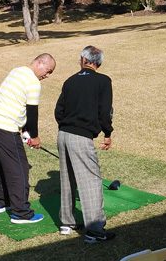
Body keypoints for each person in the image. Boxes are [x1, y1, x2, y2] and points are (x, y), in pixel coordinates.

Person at [0, 53, 56, 224]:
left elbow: (15, 103)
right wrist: (34, 136)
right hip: (4, 127)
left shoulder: (17, 71)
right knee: (20, 169)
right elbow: (32, 113)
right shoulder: (33, 82)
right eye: (48, 71)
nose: (47, 75)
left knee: (0, 166)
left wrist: (24, 130)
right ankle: (21, 213)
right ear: (39, 63)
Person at [55, 46, 115, 243]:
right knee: (91, 181)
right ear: (98, 62)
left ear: (83, 59)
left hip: (63, 134)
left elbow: (59, 111)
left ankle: (67, 223)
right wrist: (107, 132)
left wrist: (67, 125)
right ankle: (94, 230)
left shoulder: (70, 81)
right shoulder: (103, 81)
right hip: (81, 137)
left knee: (67, 178)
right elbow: (105, 111)